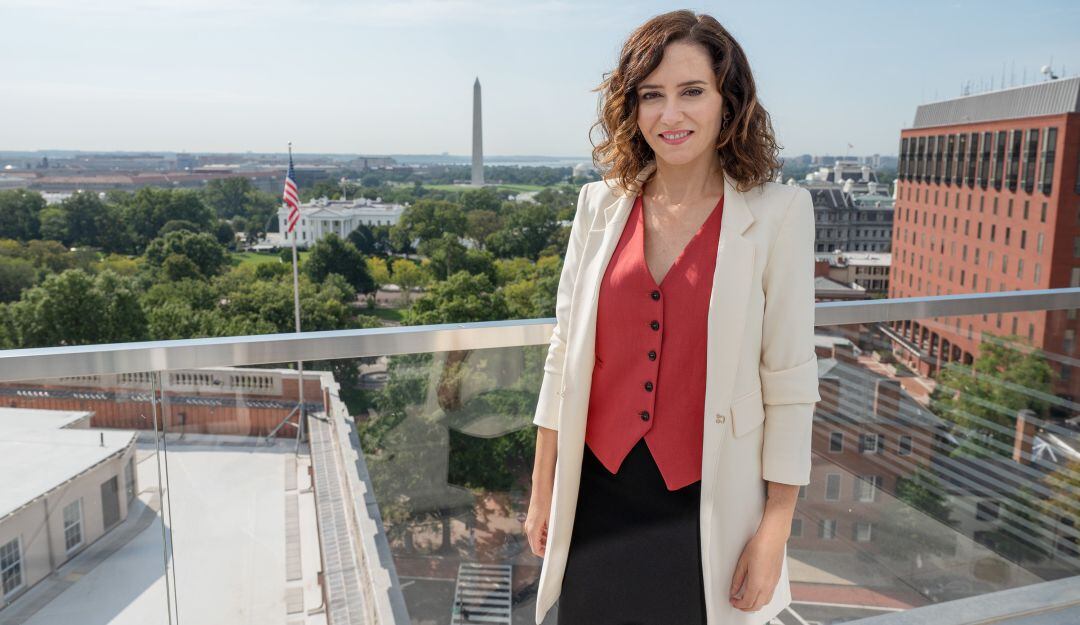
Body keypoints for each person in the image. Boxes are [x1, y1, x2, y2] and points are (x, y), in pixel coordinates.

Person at [525, 9, 821, 625]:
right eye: (651, 96)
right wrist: (541, 488)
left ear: (727, 100)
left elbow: (790, 382)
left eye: (692, 92)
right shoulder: (598, 205)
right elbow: (563, 355)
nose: (671, 114)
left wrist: (776, 531)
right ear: (632, 108)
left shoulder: (780, 214)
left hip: (706, 503)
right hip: (596, 497)